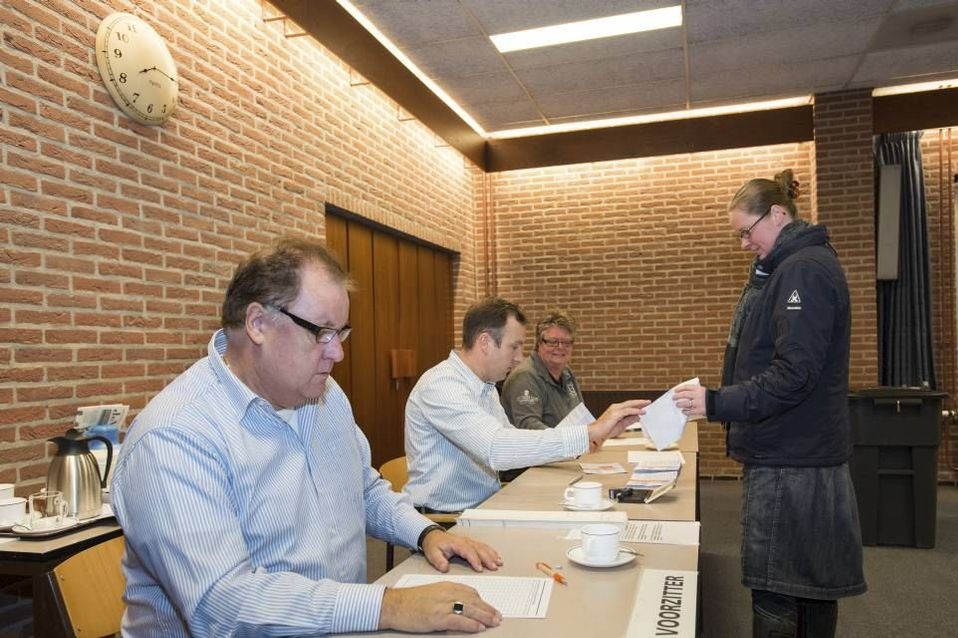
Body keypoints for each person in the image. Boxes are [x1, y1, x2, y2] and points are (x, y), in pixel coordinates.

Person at [112, 238, 504, 636]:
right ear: (258, 324)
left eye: (341, 333)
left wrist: (425, 532)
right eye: (322, 332)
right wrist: (388, 605)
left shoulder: (324, 397)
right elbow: (224, 605)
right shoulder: (175, 436)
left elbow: (363, 489)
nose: (337, 354)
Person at [674, 170, 866, 637]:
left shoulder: (803, 269)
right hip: (797, 453)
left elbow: (793, 375)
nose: (743, 243)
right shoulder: (793, 266)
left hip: (791, 461)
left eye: (747, 231)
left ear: (778, 214)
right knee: (808, 587)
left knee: (777, 590)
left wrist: (715, 402)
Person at [404, 298, 647, 513]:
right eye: (514, 346)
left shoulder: (485, 386)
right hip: (446, 519)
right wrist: (589, 432)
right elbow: (497, 449)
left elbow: (513, 437)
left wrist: (590, 435)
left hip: (486, 504)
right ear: (485, 342)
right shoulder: (442, 386)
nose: (520, 357)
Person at [501, 311, 584, 430]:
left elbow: (580, 415)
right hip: (535, 448)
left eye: (566, 342)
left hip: (573, 447)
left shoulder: (567, 373)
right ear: (539, 342)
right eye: (553, 342)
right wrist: (571, 439)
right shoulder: (525, 377)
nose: (560, 347)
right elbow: (529, 427)